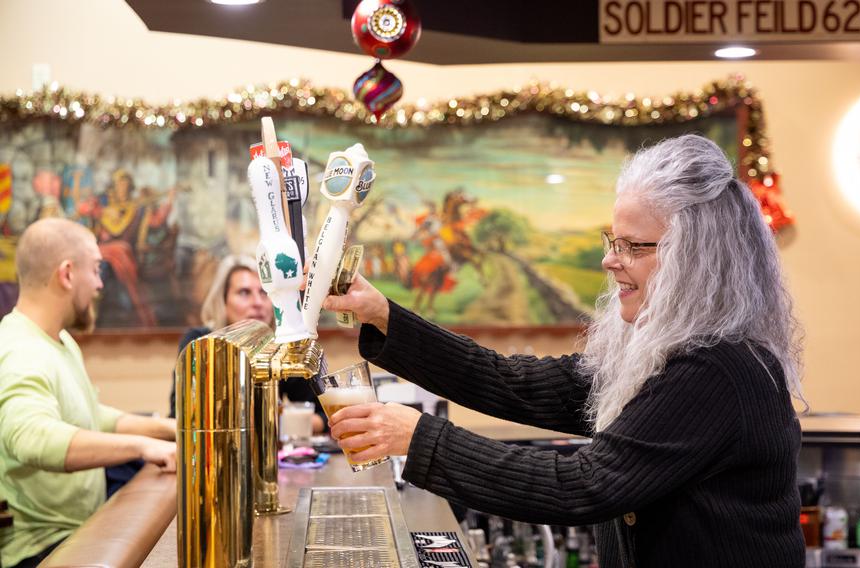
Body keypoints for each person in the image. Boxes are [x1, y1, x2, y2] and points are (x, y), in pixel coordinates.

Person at [322, 135, 806, 567]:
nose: (609, 260)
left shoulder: (717, 368)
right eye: (612, 240)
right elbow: (515, 383)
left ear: (699, 259)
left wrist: (419, 438)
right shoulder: (659, 352)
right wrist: (382, 313)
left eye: (634, 246)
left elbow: (586, 485)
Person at [0, 218, 178, 568]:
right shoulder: (20, 350)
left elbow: (88, 416)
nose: (99, 285)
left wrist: (169, 429)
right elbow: (32, 437)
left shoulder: (58, 340)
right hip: (41, 547)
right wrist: (142, 447)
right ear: (67, 274)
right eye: (96, 270)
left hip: (78, 526)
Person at [168, 255, 327, 433]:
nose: (258, 303)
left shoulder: (283, 346)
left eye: (264, 293)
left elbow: (322, 416)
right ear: (223, 301)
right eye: (244, 293)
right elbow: (181, 418)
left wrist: (280, 422)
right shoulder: (200, 343)